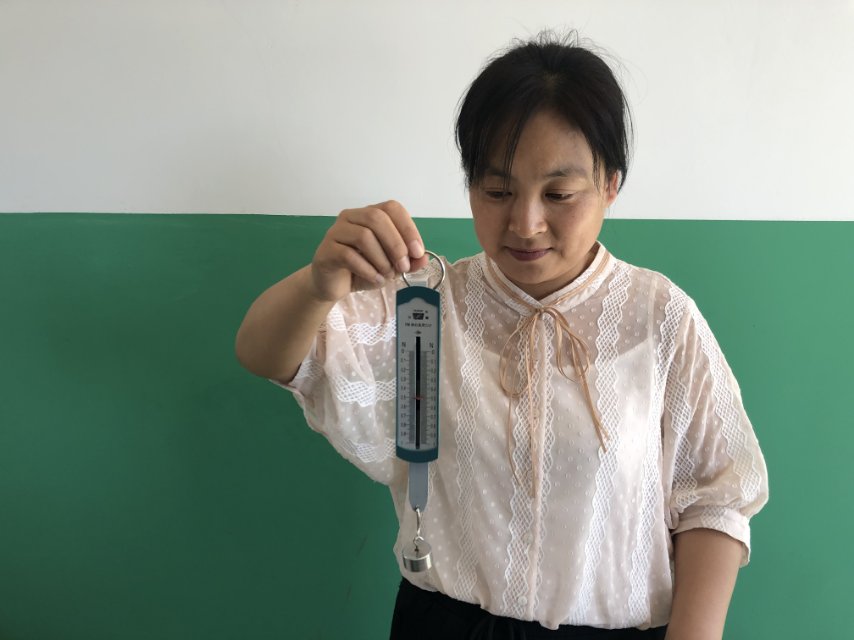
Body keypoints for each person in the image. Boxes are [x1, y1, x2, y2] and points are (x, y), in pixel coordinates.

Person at [235, 31, 768, 639]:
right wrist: (320, 283)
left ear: (610, 186)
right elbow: (266, 355)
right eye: (497, 191)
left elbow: (715, 498)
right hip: (446, 625)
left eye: (559, 194)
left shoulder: (659, 317)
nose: (526, 222)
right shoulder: (426, 305)